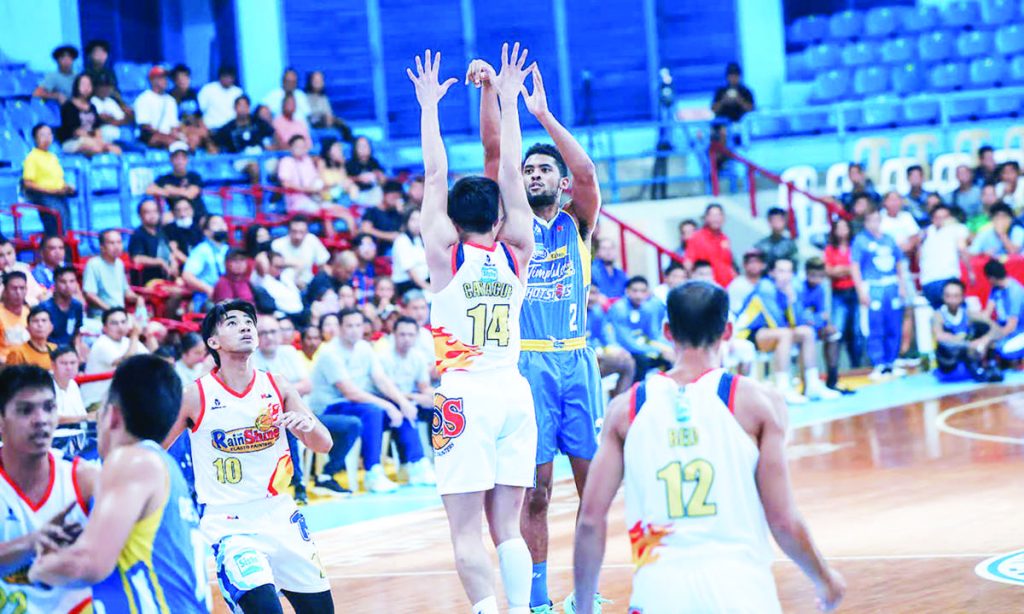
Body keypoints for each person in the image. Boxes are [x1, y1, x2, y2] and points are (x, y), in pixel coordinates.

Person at [572, 281, 845, 614]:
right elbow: (783, 520)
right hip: (741, 591)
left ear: (667, 330)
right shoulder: (758, 403)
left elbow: (589, 521)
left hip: (659, 593)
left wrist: (584, 608)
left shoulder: (626, 408)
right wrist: (824, 580)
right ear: (728, 330)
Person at [471, 51, 608, 610]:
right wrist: (492, 96)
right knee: (537, 494)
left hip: (577, 360)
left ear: (561, 184)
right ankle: (537, 601)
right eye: (528, 171)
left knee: (592, 491)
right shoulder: (510, 230)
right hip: (527, 367)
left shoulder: (579, 222)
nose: (533, 174)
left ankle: (587, 594)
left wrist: (544, 115)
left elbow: (589, 173)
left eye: (543, 169)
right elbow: (493, 154)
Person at [414, 45, 537, 614]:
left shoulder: (446, 255)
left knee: (465, 531)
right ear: (499, 218)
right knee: (506, 528)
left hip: (463, 394)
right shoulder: (518, 251)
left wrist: (428, 107)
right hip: (514, 391)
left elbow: (435, 172)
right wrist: (508, 101)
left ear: (454, 219)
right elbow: (510, 170)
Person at [162, 300, 334, 613]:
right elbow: (155, 447)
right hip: (230, 524)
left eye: (248, 322)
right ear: (213, 342)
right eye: (232, 323)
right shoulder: (195, 395)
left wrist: (307, 425)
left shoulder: (276, 384)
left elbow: (324, 444)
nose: (245, 327)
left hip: (281, 513)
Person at [28, 355, 212, 612]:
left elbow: (88, 563)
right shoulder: (163, 466)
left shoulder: (132, 460)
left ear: (111, 416)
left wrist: (38, 570)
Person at [0, 365, 97, 614]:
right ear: (1, 421)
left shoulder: (84, 479)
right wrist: (31, 543)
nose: (41, 419)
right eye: (25, 410)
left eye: (49, 407)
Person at [309, 308, 429, 491]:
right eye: (349, 325)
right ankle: (372, 472)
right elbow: (350, 393)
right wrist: (388, 405)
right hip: (330, 407)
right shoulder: (330, 353)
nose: (355, 329)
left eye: (358, 325)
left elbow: (380, 379)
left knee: (402, 407)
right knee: (375, 410)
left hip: (355, 405)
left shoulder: (364, 347)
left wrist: (401, 402)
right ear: (340, 328)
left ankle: (416, 464)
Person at [253, 314, 353, 502]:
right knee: (288, 425)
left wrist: (280, 390)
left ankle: (326, 475)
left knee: (352, 424)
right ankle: (299, 483)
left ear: (281, 334)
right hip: (270, 421)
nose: (269, 336)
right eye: (263, 333)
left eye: (273, 331)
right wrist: (287, 389)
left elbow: (308, 385)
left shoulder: (289, 352)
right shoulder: (250, 358)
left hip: (307, 414)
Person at [735, 257, 840, 402]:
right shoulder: (766, 288)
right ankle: (783, 388)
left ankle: (812, 385)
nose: (786, 275)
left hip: (769, 332)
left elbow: (799, 322)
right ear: (772, 273)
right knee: (784, 334)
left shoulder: (788, 290)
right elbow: (777, 323)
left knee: (806, 332)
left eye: (789, 271)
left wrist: (792, 299)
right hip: (745, 333)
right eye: (781, 271)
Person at [851, 207, 906, 379]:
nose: (874, 223)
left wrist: (902, 285)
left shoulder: (888, 239)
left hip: (891, 286)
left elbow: (899, 262)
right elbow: (855, 267)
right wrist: (860, 290)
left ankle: (892, 361)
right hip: (873, 286)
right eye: (870, 220)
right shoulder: (860, 241)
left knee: (894, 324)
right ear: (865, 222)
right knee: (875, 326)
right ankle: (879, 363)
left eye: (877, 219)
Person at [933, 279, 1000, 381]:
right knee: (952, 343)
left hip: (968, 358)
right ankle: (978, 369)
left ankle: (990, 365)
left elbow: (995, 328)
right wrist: (967, 344)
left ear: (962, 297)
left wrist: (984, 340)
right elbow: (940, 336)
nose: (952, 300)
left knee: (985, 332)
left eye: (956, 296)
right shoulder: (939, 315)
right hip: (950, 362)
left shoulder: (967, 313)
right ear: (943, 297)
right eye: (948, 296)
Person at [608, 276, 672, 381]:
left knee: (668, 358)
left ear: (648, 293)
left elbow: (653, 335)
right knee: (641, 360)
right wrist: (656, 351)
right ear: (627, 291)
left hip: (643, 347)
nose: (639, 295)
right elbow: (625, 342)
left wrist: (667, 348)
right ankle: (636, 394)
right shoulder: (619, 308)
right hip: (623, 349)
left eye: (643, 291)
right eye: (635, 291)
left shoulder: (648, 308)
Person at [81, 307, 147, 407]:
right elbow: (126, 362)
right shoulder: (102, 343)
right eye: (114, 323)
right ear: (104, 328)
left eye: (123, 322)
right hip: (96, 402)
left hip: (117, 401)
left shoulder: (128, 342)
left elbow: (151, 360)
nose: (120, 327)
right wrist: (134, 335)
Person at [800, 258, 846, 392]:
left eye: (820, 276)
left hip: (812, 326)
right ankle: (808, 385)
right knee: (807, 333)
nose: (816, 279)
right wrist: (816, 319)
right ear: (806, 273)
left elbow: (823, 315)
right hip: (796, 328)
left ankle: (832, 381)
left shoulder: (821, 288)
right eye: (813, 275)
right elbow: (800, 317)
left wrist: (819, 320)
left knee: (833, 333)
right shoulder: (798, 286)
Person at [22, 124, 76, 237]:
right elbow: (28, 183)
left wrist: (67, 187)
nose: (47, 138)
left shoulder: (53, 157)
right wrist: (51, 191)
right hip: (45, 197)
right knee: (56, 229)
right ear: (35, 138)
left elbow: (57, 180)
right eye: (42, 135)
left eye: (49, 134)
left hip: (60, 195)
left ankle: (68, 252)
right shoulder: (32, 157)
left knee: (67, 227)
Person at [823, 218, 862, 370]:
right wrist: (851, 269)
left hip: (855, 293)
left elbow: (860, 269)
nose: (842, 230)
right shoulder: (829, 249)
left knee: (856, 332)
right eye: (838, 228)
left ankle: (857, 367)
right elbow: (830, 271)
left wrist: (842, 269)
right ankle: (834, 369)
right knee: (837, 331)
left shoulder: (855, 247)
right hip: (839, 294)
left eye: (845, 227)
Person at [585, 285, 634, 398]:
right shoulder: (573, 312)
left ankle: (618, 402)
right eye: (589, 293)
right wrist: (598, 351)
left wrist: (616, 349)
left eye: (595, 294)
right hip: (581, 357)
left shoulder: (597, 312)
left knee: (627, 361)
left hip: (597, 355)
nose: (591, 298)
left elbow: (606, 337)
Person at [919, 204, 971, 310]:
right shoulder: (956, 228)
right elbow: (963, 249)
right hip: (945, 281)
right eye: (939, 217)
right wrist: (971, 271)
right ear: (933, 219)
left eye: (945, 217)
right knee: (960, 315)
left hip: (928, 284)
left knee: (940, 316)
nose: (942, 220)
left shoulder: (926, 233)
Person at [57, 73, 121, 157]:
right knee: (92, 146)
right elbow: (76, 131)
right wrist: (97, 142)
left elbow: (97, 128)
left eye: (88, 85)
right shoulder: (68, 106)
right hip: (72, 141)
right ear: (77, 86)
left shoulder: (92, 106)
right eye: (83, 84)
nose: (86, 87)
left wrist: (99, 141)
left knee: (116, 150)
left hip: (93, 140)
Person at [82, 228, 140, 316]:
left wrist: (138, 298)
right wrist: (111, 310)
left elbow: (126, 292)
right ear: (102, 247)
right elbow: (89, 295)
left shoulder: (119, 263)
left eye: (119, 242)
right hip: (102, 316)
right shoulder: (93, 264)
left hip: (120, 314)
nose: (116, 246)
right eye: (112, 243)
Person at [146, 141, 209, 220]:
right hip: (176, 214)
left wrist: (170, 189)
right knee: (166, 218)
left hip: (197, 214)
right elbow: (149, 190)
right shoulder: (165, 178)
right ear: (171, 160)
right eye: (176, 158)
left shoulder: (194, 176)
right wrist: (168, 191)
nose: (180, 161)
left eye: (183, 157)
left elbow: (190, 194)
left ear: (187, 160)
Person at [181, 214, 231, 309]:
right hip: (207, 299)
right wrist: (208, 289)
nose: (221, 226)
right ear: (206, 232)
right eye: (216, 224)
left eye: (223, 223)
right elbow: (187, 275)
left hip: (227, 295)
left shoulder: (228, 250)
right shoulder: (201, 250)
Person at [127, 197, 179, 286]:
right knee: (177, 293)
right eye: (148, 212)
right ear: (140, 216)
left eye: (155, 211)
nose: (152, 215)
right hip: (148, 282)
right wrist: (159, 262)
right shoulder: (138, 235)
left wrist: (174, 263)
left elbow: (169, 252)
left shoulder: (161, 232)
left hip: (167, 278)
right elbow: (137, 259)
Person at [271, 216, 329, 290]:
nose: (298, 236)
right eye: (294, 231)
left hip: (308, 286)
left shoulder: (312, 240)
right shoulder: (277, 245)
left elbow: (322, 266)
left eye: (301, 232)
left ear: (307, 232)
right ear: (288, 231)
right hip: (283, 286)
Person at [685, 203, 736, 287]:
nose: (716, 219)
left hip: (727, 287)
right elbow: (688, 264)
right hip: (708, 288)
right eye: (712, 215)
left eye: (719, 215)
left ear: (723, 218)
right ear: (706, 218)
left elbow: (728, 264)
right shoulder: (696, 237)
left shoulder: (724, 238)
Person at [982, 259, 1024, 362]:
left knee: (1003, 350)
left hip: (1019, 331)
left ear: (991, 278)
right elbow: (986, 314)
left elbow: (1011, 326)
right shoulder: (996, 289)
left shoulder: (1015, 291)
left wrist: (987, 340)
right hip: (1003, 329)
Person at [133, 66, 184, 149]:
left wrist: (176, 135)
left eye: (165, 78)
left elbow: (174, 125)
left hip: (169, 135)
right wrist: (165, 136)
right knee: (171, 143)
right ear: (152, 80)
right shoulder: (143, 99)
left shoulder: (170, 100)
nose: (165, 81)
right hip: (149, 136)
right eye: (161, 78)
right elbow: (145, 126)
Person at [169, 64, 215, 152]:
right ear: (175, 81)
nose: (183, 81)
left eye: (186, 78)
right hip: (179, 130)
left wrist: (204, 130)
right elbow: (173, 122)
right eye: (180, 78)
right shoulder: (170, 98)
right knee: (194, 139)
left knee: (208, 138)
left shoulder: (193, 94)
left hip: (194, 129)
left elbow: (199, 116)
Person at [39, 266, 82, 347]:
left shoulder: (77, 306)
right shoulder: (44, 308)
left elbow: (76, 333)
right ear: (55, 283)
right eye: (63, 282)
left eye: (72, 281)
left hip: (69, 351)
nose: (68, 285)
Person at [361, 180, 406, 252]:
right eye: (393, 196)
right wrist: (388, 236)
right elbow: (366, 229)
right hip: (377, 248)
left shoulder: (397, 214)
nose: (395, 199)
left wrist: (402, 214)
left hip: (395, 250)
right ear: (384, 194)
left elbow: (403, 232)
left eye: (398, 197)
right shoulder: (372, 211)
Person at [90, 72, 134, 146]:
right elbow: (102, 120)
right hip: (102, 136)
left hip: (118, 135)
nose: (105, 89)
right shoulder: (92, 101)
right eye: (102, 86)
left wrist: (115, 119)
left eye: (107, 86)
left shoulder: (111, 101)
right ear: (96, 87)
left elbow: (123, 119)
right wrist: (113, 120)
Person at [305, 70, 352, 138]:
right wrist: (323, 118)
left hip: (328, 125)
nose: (318, 82)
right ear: (310, 81)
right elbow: (309, 118)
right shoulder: (304, 97)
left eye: (320, 80)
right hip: (315, 127)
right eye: (316, 80)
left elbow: (329, 114)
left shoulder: (324, 98)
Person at [51, 346, 88, 423]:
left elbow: (81, 414)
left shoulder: (73, 384)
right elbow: (52, 419)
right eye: (64, 363)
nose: (69, 368)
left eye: (73, 363)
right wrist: (86, 418)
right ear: (53, 365)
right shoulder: (45, 386)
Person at [198, 65, 243, 131]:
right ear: (220, 77)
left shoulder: (238, 92)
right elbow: (198, 112)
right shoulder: (208, 89)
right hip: (212, 129)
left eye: (230, 77)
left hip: (232, 130)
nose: (228, 79)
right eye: (225, 76)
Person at [0, 272, 31, 363]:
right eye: (14, 288)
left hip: (28, 362)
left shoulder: (30, 312)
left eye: (22, 288)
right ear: (5, 291)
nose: (18, 292)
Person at [346, 136, 386, 205]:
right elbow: (346, 179)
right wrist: (359, 179)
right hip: (358, 194)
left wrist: (378, 175)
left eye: (366, 146)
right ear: (355, 148)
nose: (364, 149)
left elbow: (382, 178)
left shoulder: (374, 162)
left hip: (373, 192)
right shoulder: (349, 164)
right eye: (360, 146)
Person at [317, 139, 360, 203]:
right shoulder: (322, 162)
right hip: (327, 193)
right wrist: (337, 184)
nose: (340, 151)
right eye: (337, 149)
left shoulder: (341, 163)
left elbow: (344, 179)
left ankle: (353, 204)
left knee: (353, 187)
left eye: (340, 149)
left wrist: (342, 162)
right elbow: (322, 182)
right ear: (328, 151)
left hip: (341, 191)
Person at [726, 250, 765, 315]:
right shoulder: (736, 285)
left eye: (757, 262)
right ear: (744, 265)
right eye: (751, 262)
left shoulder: (767, 284)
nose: (754, 265)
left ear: (763, 265)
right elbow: (733, 310)